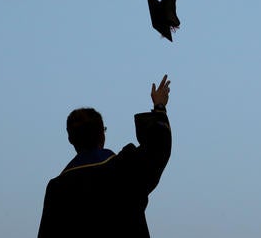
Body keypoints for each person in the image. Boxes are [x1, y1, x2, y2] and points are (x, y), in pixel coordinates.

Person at [38, 75, 172, 237]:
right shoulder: (124, 169)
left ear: (71, 139)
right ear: (102, 134)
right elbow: (157, 147)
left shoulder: (57, 189)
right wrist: (159, 106)